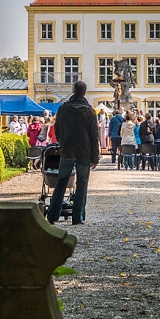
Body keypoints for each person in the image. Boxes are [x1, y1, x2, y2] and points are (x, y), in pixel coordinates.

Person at [46, 81, 99, 226]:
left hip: (67, 150)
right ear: (85, 93)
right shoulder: (89, 111)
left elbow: (57, 130)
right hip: (84, 151)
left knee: (61, 182)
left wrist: (62, 144)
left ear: (73, 91)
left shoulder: (63, 109)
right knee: (82, 184)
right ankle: (77, 217)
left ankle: (52, 215)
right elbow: (94, 135)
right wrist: (95, 157)